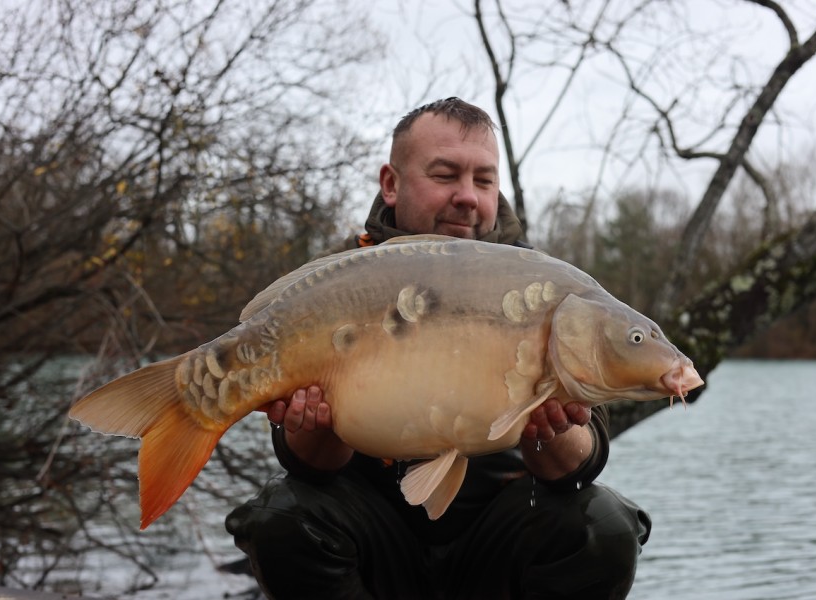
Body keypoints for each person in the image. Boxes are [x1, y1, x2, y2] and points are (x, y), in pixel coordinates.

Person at [225, 98, 651, 599]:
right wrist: (317, 421)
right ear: (391, 183)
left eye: (484, 180)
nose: (467, 197)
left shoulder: (541, 286)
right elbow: (308, 467)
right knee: (284, 516)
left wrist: (550, 429)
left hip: (497, 540)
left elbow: (579, 465)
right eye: (445, 175)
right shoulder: (338, 279)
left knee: (603, 525)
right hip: (373, 537)